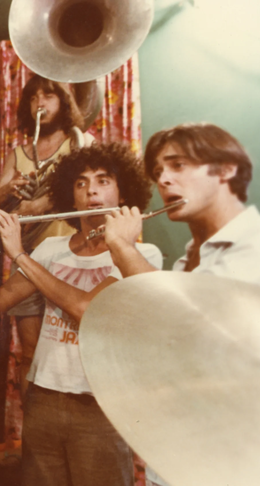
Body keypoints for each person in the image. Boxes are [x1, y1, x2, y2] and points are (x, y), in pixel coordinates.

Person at [0, 143, 162, 486]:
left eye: (103, 180)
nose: (91, 190)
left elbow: (85, 309)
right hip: (44, 398)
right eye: (80, 183)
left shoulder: (140, 256)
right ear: (70, 197)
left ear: (123, 192)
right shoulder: (51, 249)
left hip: (100, 404)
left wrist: (19, 254)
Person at [103, 123, 259, 486]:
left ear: (226, 169)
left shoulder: (252, 247)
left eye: (178, 165)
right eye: (159, 171)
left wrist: (123, 248)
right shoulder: (191, 257)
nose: (164, 180)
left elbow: (184, 325)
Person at [0, 74, 96, 399]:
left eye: (48, 95)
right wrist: (10, 189)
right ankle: (31, 422)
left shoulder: (79, 141)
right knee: (30, 352)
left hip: (72, 255)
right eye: (33, 98)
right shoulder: (18, 153)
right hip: (28, 256)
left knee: (77, 349)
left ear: (63, 102)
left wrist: (38, 205)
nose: (40, 103)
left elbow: (89, 191)